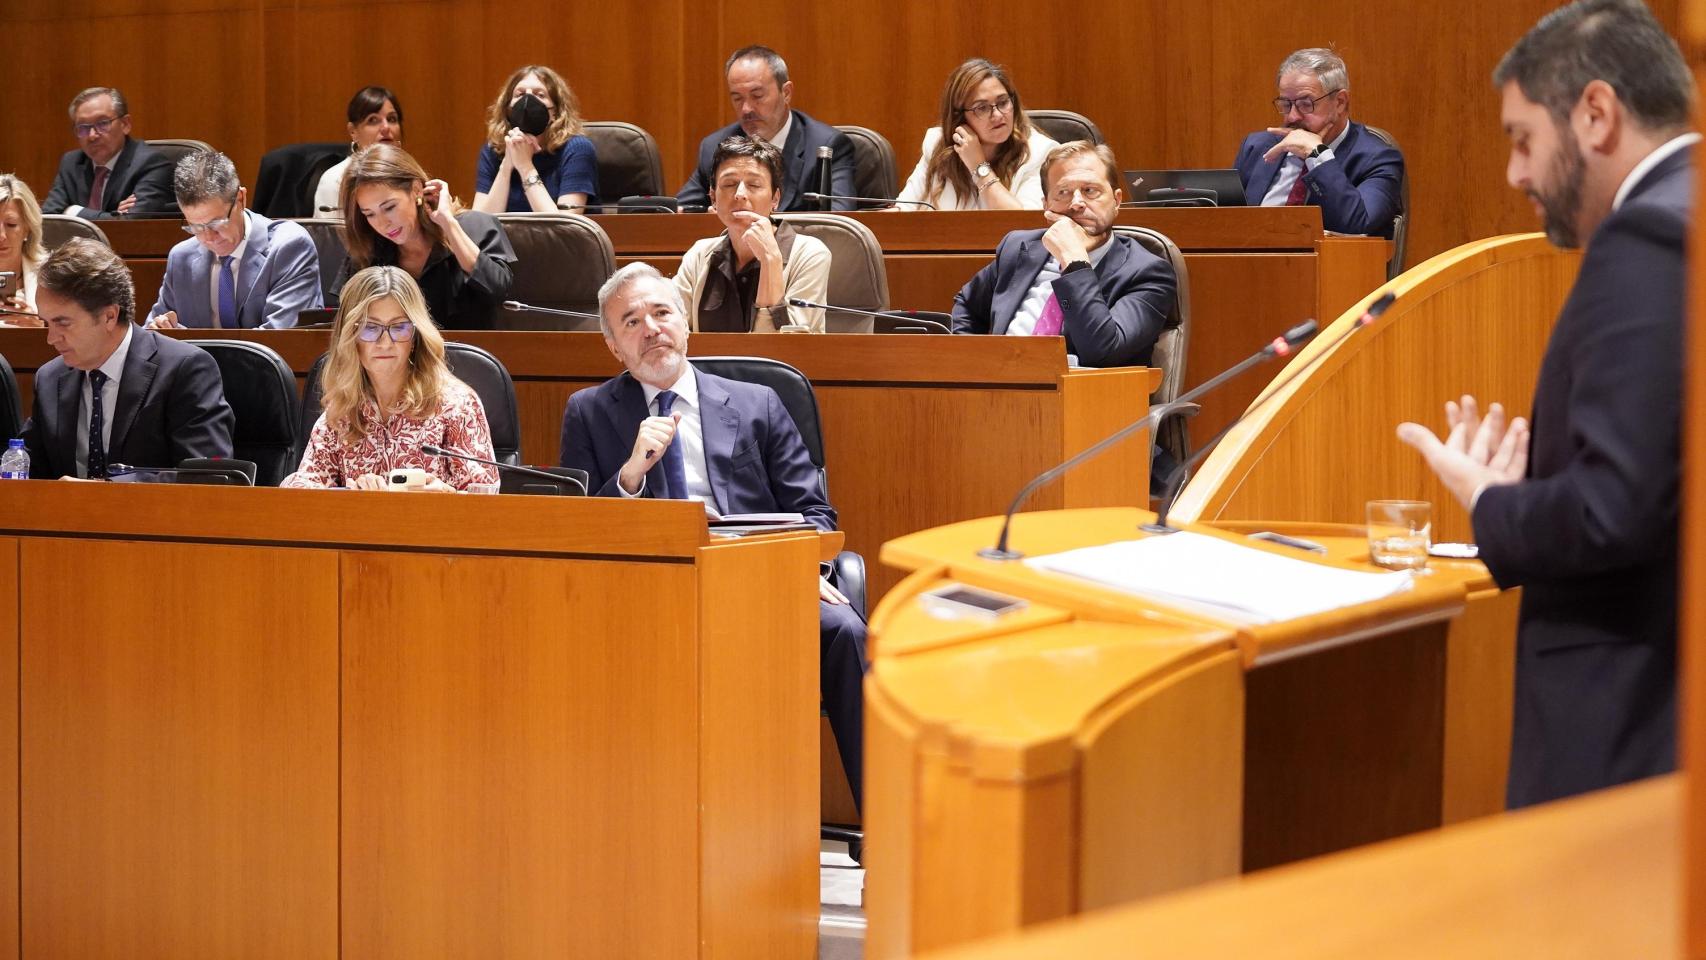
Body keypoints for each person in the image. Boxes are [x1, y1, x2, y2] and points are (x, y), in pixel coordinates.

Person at [1396, 0, 1693, 807]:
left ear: (1595, 112)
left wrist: (1493, 500)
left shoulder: (1649, 238)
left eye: (1524, 139)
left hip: (1632, 727)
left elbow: (1615, 512)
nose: (1516, 174)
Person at [559, 262, 868, 806]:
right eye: (631, 322)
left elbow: (816, 513)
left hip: (756, 575)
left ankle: (887, 828)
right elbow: (580, 535)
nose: (651, 329)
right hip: (649, 591)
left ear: (685, 322)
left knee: (845, 629)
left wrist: (799, 567)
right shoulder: (588, 412)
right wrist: (631, 475)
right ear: (613, 346)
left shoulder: (757, 403)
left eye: (661, 312)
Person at [19, 238, 233, 479]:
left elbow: (209, 477)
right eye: (46, 323)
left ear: (109, 316)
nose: (51, 338)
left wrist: (106, 492)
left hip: (153, 516)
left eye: (62, 323)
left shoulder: (185, 370)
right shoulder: (50, 378)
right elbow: (27, 467)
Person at [951, 141, 1176, 368]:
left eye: (1090, 191)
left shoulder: (1147, 272)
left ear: (1116, 201)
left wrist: (1074, 262)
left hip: (1085, 398)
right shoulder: (1019, 247)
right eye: (1063, 193)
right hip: (1001, 390)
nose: (1077, 203)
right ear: (1046, 205)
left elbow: (1103, 353)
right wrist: (973, 365)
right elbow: (966, 305)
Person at [284, 267, 498, 491]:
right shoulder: (342, 411)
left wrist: (445, 496)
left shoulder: (456, 405)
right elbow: (296, 491)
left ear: (415, 336)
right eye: (370, 328)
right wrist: (349, 494)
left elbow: (487, 498)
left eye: (399, 327)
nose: (385, 342)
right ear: (349, 337)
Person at [333, 143, 515, 330]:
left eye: (389, 207)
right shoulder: (367, 248)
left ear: (417, 190)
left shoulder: (475, 226)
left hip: (467, 355)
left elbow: (499, 291)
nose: (382, 223)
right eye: (369, 214)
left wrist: (449, 225)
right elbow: (344, 324)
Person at [1232, 49, 1404, 238]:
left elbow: (1358, 225)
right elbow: (1224, 224)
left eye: (1306, 104)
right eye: (1286, 105)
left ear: (1340, 102)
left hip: (1328, 265)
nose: (1292, 116)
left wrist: (1316, 154)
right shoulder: (1257, 147)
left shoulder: (1377, 159)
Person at [145, 150, 322, 329]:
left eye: (216, 223)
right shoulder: (181, 257)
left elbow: (280, 339)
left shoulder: (289, 247)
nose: (208, 238)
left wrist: (187, 344)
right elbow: (153, 334)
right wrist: (161, 331)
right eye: (195, 226)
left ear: (241, 199)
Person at [673, 136, 830, 332]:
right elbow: (675, 332)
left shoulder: (810, 255)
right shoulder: (699, 254)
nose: (739, 194)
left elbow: (786, 349)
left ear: (775, 198)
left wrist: (770, 260)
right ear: (713, 197)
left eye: (754, 185)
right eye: (729, 185)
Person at [676, 46, 856, 212]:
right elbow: (677, 214)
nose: (746, 109)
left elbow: (838, 221)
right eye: (737, 98)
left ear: (786, 93)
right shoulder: (716, 147)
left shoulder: (827, 146)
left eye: (757, 96)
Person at [896, 58, 1058, 211]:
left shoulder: (1041, 153)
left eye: (1003, 103)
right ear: (959, 117)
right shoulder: (937, 145)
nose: (998, 115)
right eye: (982, 108)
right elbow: (905, 209)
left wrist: (978, 167)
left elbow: (1022, 224)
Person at [472, 65, 598, 214]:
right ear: (508, 110)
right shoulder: (493, 150)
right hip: (507, 237)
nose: (528, 100)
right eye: (520, 94)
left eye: (540, 95)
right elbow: (481, 224)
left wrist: (525, 167)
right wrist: (506, 167)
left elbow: (565, 229)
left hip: (560, 237)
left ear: (555, 112)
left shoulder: (577, 149)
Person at [40, 87, 178, 221]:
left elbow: (131, 223)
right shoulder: (72, 162)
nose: (92, 135)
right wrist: (112, 216)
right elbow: (50, 217)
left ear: (125, 124)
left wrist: (73, 211)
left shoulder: (151, 163)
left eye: (102, 123)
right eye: (83, 128)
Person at [313, 86, 404, 218]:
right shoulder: (335, 180)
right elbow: (332, 238)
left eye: (391, 119)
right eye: (373, 120)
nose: (386, 127)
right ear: (353, 131)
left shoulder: (408, 174)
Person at [0, 175, 47, 320]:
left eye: (11, 225)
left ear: (27, 229)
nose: (1, 236)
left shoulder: (53, 275)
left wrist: (38, 328)